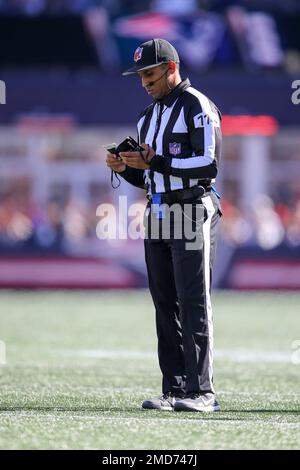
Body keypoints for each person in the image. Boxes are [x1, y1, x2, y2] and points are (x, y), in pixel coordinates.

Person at [106, 38, 222, 412]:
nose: (145, 83)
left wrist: (153, 163)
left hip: (190, 210)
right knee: (164, 303)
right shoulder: (147, 116)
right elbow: (153, 178)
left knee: (193, 302)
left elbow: (208, 165)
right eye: (141, 76)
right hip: (157, 211)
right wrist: (127, 169)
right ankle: (173, 388)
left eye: (151, 74)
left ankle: (202, 391)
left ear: (172, 68)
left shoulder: (197, 106)